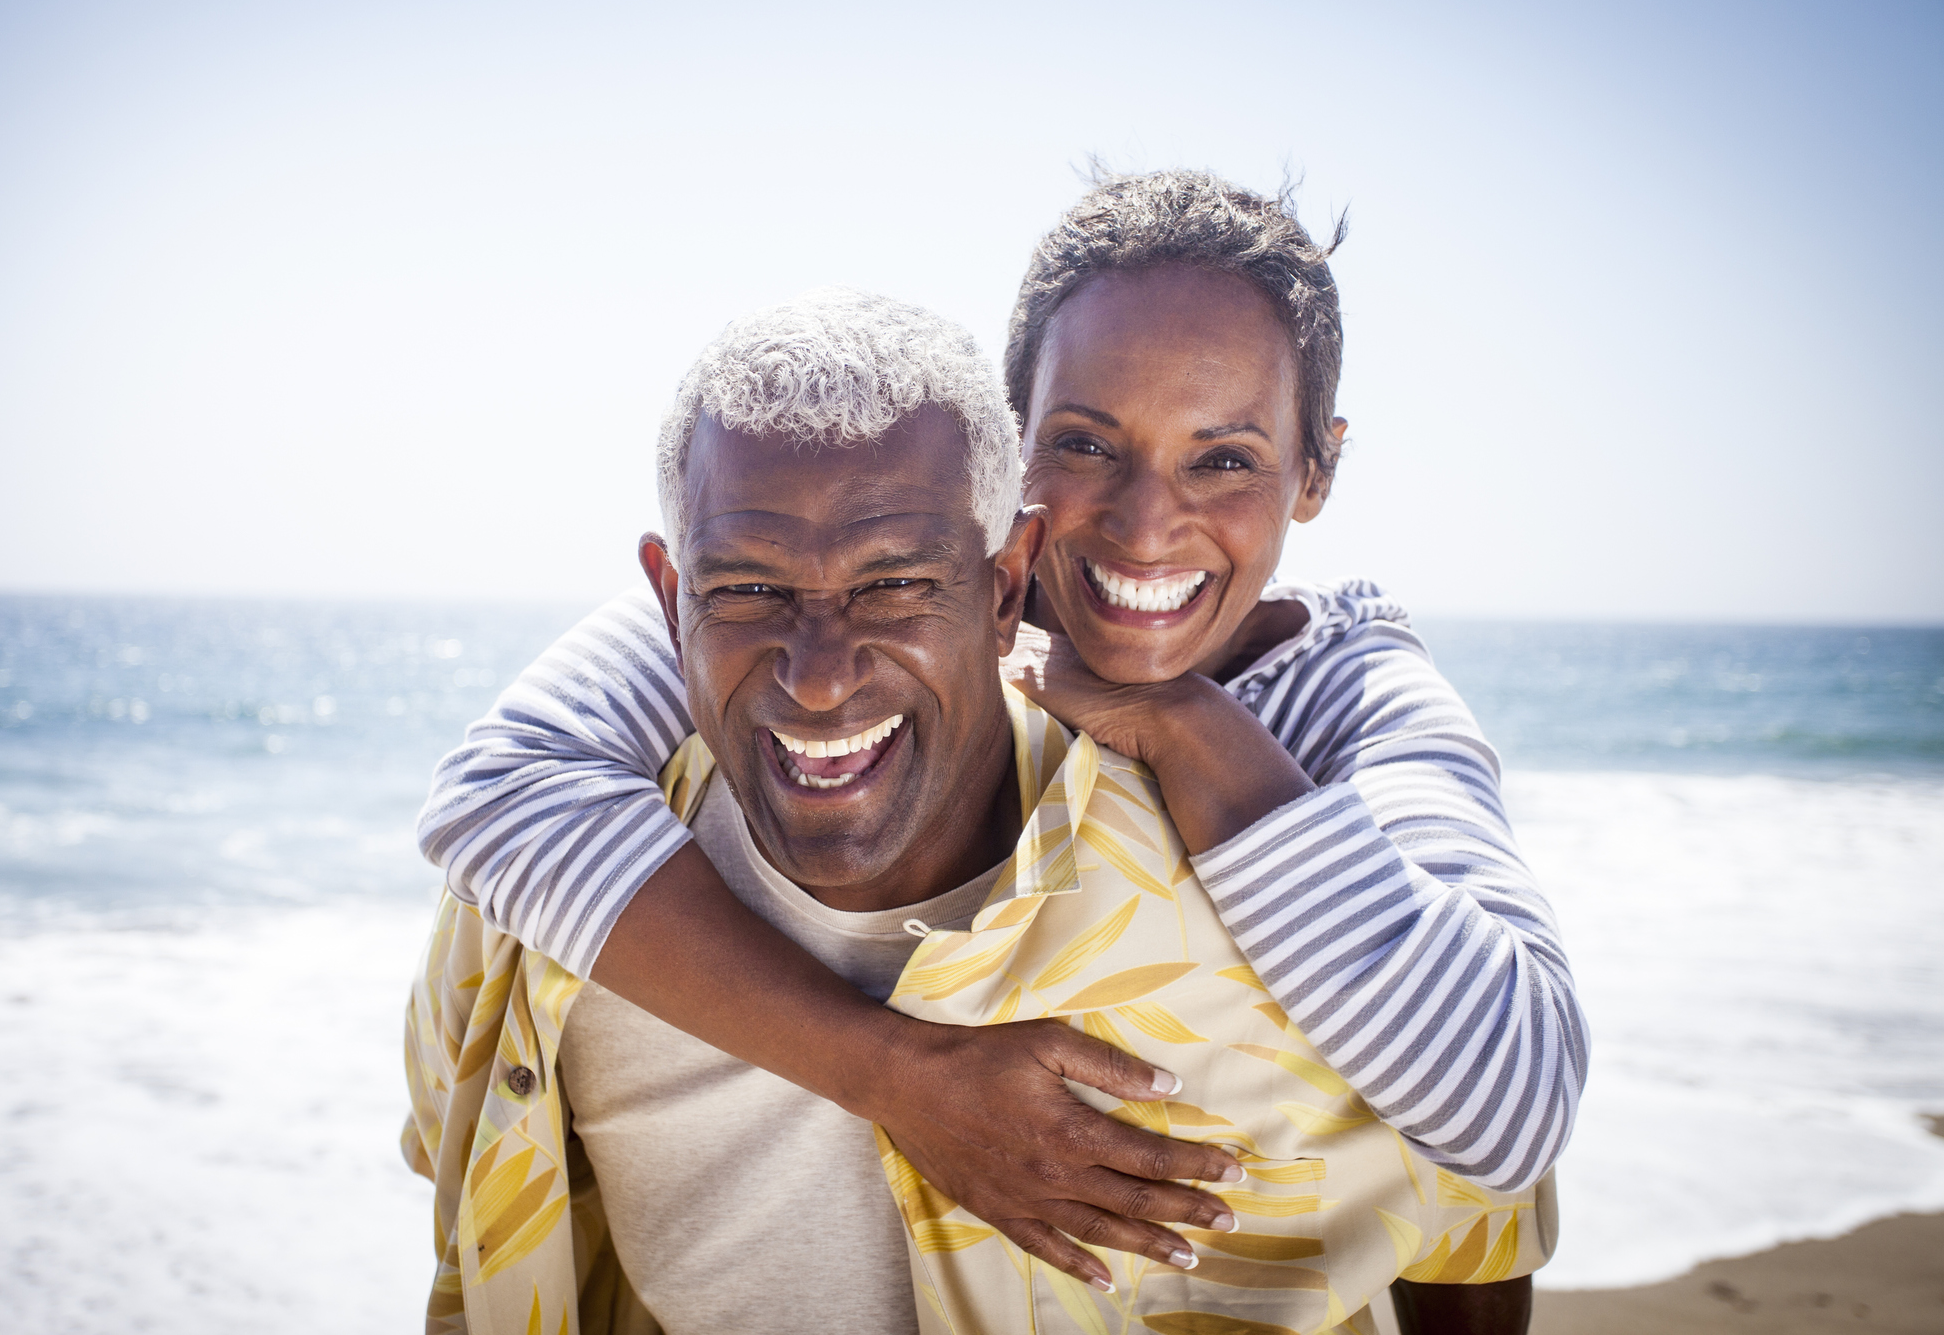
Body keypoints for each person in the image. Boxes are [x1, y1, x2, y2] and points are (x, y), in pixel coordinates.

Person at [419, 170, 1585, 1320]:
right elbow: (501, 791)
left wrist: (1193, 730)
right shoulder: (877, 581)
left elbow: (1512, 1103)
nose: (1143, 523)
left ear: (1317, 468)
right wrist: (890, 1075)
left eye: (1223, 458)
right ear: (1012, 455)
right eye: (1085, 445)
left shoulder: (1347, 693)